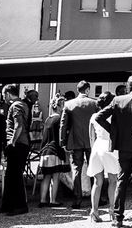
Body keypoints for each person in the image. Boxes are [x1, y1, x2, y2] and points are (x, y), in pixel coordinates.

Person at [95, 73, 132, 228]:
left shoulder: (117, 100)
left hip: (123, 147)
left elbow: (98, 117)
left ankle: (117, 218)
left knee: (122, 181)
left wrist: (115, 133)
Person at [59, 80, 98, 209]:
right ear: (87, 90)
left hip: (75, 140)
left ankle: (77, 198)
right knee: (94, 168)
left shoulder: (69, 104)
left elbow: (63, 125)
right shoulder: (94, 103)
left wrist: (62, 141)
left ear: (77, 90)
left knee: (76, 170)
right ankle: (96, 197)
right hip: (92, 140)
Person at [87, 91, 120, 223]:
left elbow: (91, 136)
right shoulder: (115, 116)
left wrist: (92, 150)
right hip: (110, 147)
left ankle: (94, 211)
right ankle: (112, 210)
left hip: (97, 146)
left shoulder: (94, 116)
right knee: (113, 180)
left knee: (97, 181)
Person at [1, 83, 30, 216]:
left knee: (15, 175)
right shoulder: (23, 104)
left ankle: (19, 206)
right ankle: (7, 204)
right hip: (22, 143)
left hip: (18, 144)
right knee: (11, 175)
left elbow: (18, 126)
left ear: (7, 94)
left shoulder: (16, 105)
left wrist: (11, 142)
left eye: (3, 95)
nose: (3, 98)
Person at [38, 95, 69, 208]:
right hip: (54, 151)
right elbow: (60, 138)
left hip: (45, 151)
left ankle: (42, 200)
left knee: (46, 176)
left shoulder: (48, 119)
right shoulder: (59, 119)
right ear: (60, 107)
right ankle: (53, 200)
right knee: (55, 177)